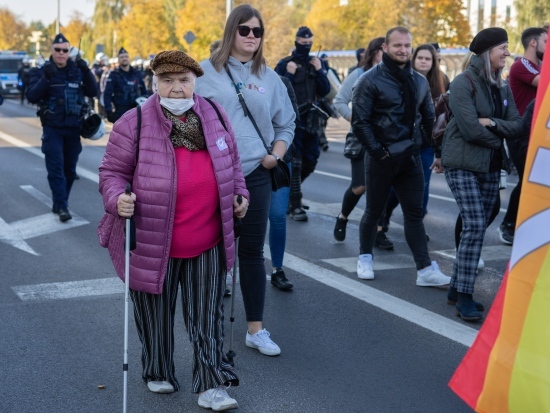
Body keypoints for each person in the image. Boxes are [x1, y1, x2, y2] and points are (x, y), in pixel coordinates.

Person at [98, 50, 249, 410]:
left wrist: (240, 194)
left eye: (183, 80)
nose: (176, 88)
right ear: (154, 82)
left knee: (207, 316)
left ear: (195, 81)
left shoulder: (214, 114)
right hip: (153, 241)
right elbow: (111, 173)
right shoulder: (133, 122)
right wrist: (117, 198)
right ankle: (158, 369)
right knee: (154, 315)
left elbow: (233, 163)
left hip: (208, 237)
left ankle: (212, 385)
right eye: (167, 80)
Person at [195, 4, 295, 356]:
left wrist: (276, 155)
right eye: (245, 30)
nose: (251, 36)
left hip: (255, 173)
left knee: (251, 251)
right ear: (231, 31)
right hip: (209, 174)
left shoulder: (269, 77)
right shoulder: (203, 72)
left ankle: (256, 329)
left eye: (258, 31)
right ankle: (205, 328)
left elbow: (286, 123)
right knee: (208, 253)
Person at [434, 27, 523, 321]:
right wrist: (499, 135)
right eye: (503, 48)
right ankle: (465, 296)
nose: (507, 53)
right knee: (473, 224)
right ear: (488, 53)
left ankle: (454, 290)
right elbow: (471, 128)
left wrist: (493, 125)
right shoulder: (463, 82)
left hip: (489, 165)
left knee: (477, 226)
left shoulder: (502, 85)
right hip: (461, 163)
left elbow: (517, 125)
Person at [351, 26, 450, 287]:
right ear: (385, 47)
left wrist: (438, 152)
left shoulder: (418, 81)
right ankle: (365, 258)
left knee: (414, 214)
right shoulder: (368, 80)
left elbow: (429, 120)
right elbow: (360, 123)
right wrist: (379, 153)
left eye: (407, 45)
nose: (403, 50)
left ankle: (425, 269)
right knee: (373, 211)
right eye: (398, 45)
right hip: (380, 159)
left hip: (411, 159)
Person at [26, 33, 98, 222]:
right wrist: (46, 78)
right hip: (53, 129)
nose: (61, 53)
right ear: (51, 51)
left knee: (69, 171)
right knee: (56, 169)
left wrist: (87, 71)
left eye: (65, 50)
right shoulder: (43, 71)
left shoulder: (77, 70)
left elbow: (94, 92)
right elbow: (32, 96)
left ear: (69, 52)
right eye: (57, 50)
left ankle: (59, 202)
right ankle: (63, 207)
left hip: (74, 129)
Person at [332, 36, 393, 249]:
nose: (386, 53)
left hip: (386, 139)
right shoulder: (359, 74)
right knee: (360, 186)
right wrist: (356, 120)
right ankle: (342, 216)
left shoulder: (395, 75)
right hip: (361, 139)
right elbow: (338, 102)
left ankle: (378, 230)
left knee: (383, 186)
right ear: (374, 51)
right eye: (382, 49)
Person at [382, 44, 449, 234]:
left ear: (433, 62)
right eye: (420, 58)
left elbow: (445, 113)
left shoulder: (441, 80)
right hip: (403, 141)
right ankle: (384, 213)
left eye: (428, 59)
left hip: (427, 143)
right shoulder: (404, 78)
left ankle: (416, 224)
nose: (424, 62)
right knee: (398, 184)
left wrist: (440, 147)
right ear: (413, 59)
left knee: (423, 184)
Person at [275, 26, 330, 221]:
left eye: (309, 43)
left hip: (312, 121)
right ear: (296, 41)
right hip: (292, 120)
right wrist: (289, 74)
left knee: (311, 160)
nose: (306, 46)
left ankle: (291, 194)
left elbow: (325, 91)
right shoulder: (284, 64)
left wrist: (320, 71)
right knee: (295, 163)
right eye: (303, 43)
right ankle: (296, 205)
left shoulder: (317, 63)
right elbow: (276, 93)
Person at [498, 27, 547, 244]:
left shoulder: (538, 66)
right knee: (528, 180)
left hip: (536, 132)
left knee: (537, 181)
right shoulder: (522, 65)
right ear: (533, 43)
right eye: (546, 41)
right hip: (520, 133)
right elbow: (544, 84)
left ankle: (527, 225)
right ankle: (508, 224)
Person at [269, 75, 299, 291]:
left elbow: (291, 118)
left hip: (278, 159)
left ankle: (277, 269)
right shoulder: (228, 81)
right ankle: (227, 271)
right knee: (241, 220)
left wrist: (277, 152)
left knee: (278, 216)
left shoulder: (279, 81)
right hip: (244, 159)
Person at [103, 47, 148, 123]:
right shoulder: (114, 75)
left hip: (136, 110)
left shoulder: (136, 73)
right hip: (120, 111)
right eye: (122, 57)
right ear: (118, 60)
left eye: (126, 56)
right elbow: (107, 94)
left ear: (129, 58)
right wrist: (108, 111)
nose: (124, 59)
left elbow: (144, 91)